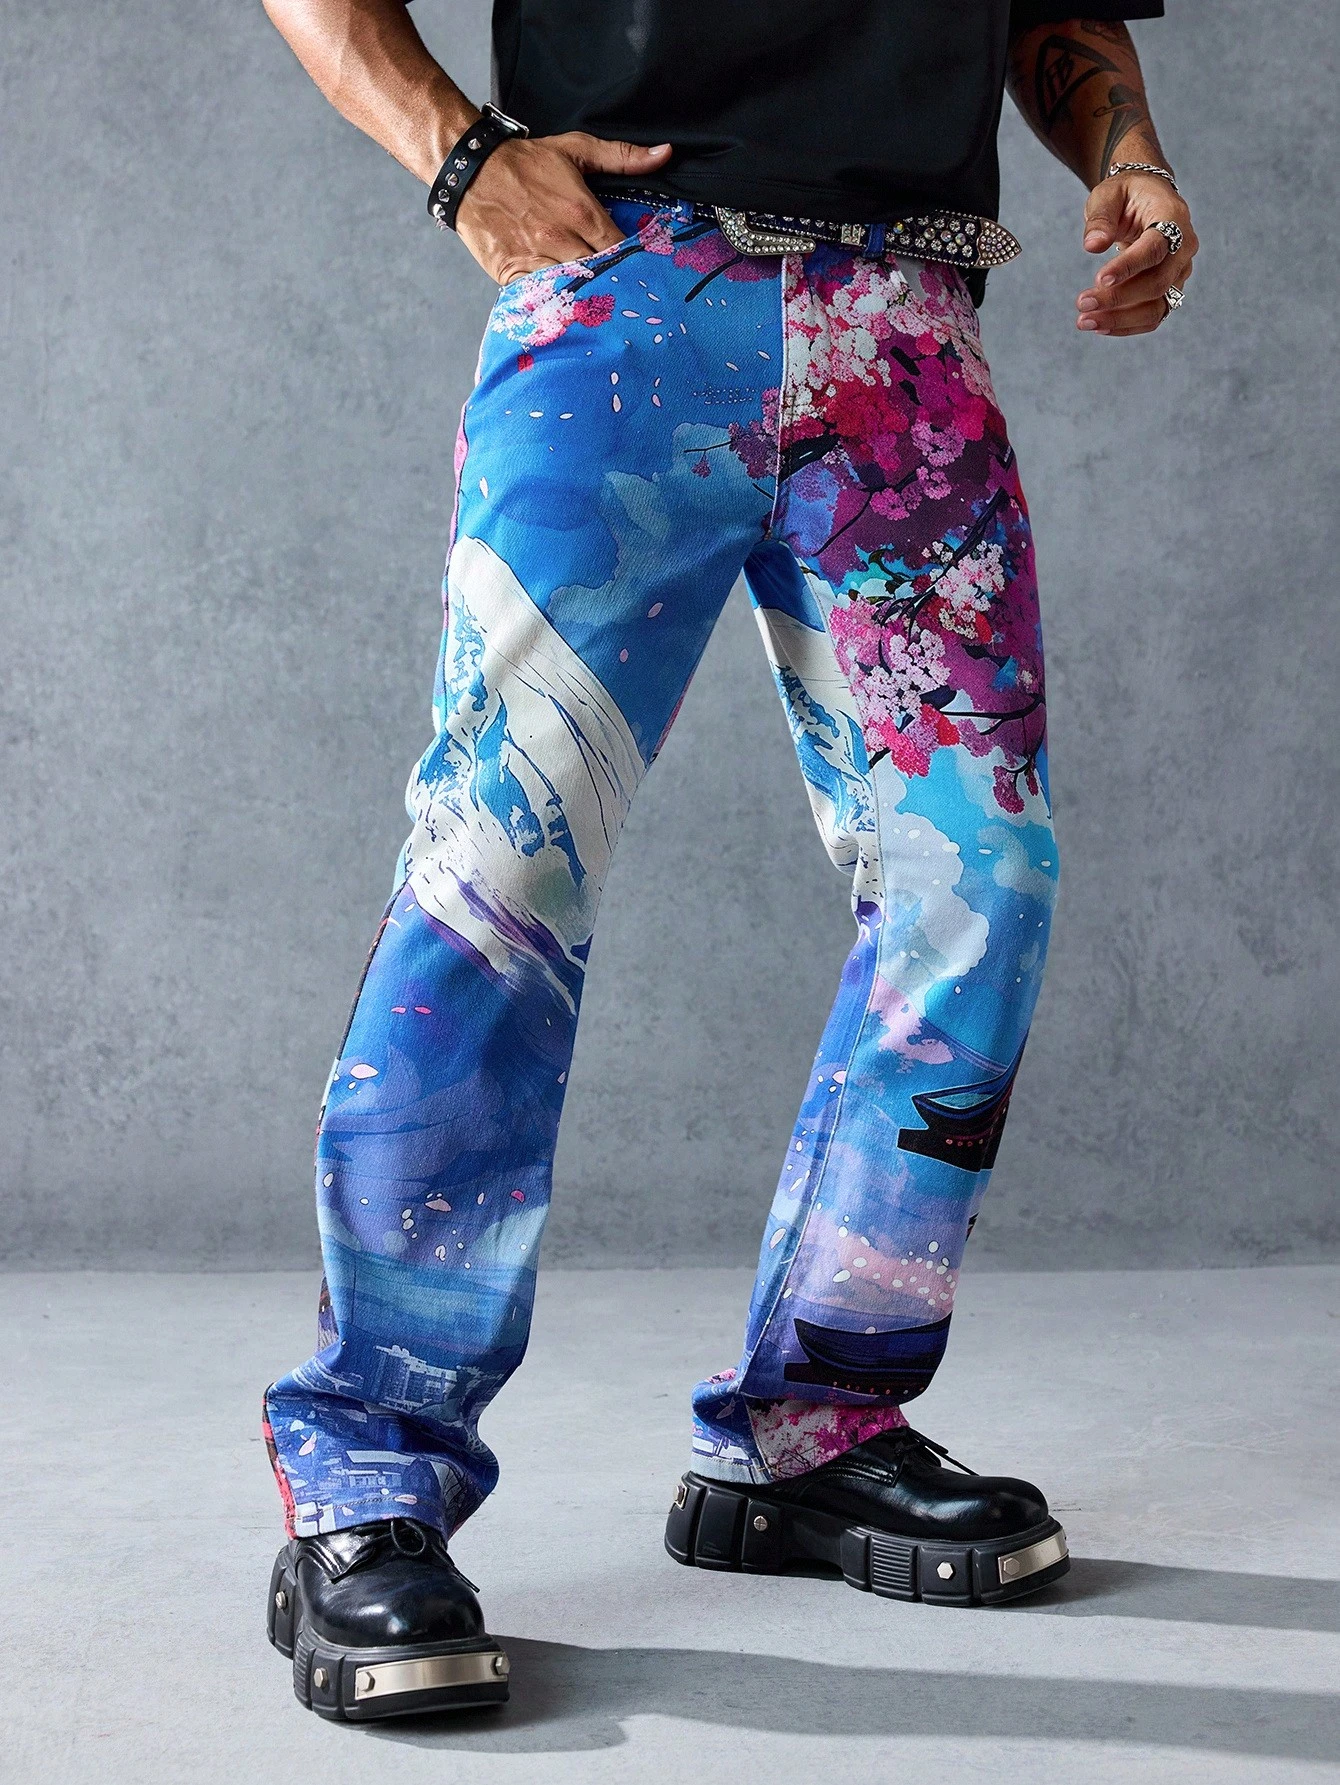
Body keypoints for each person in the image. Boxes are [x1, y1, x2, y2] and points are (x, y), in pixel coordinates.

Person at [258, 0, 1197, 1722]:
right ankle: (367, 1474)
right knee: (500, 876)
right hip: (626, 288)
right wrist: (458, 157)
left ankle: (811, 1428)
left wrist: (1127, 155)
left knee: (980, 874)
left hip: (910, 329)